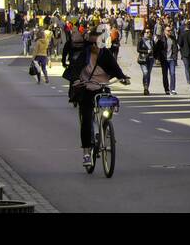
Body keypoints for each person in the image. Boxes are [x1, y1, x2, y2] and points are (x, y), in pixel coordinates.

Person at [66, 24, 130, 170]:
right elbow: (75, 68)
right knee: (86, 120)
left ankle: (106, 129)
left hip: (101, 88)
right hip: (86, 89)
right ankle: (87, 152)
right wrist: (76, 79)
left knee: (109, 107)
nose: (96, 46)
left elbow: (115, 68)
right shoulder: (85, 54)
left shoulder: (105, 54)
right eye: (94, 43)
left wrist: (123, 78)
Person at [136, 30, 155, 96]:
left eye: (149, 32)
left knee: (148, 74)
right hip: (143, 59)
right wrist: (147, 51)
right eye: (147, 32)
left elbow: (154, 49)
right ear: (144, 34)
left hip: (151, 59)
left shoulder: (152, 40)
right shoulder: (141, 40)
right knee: (145, 72)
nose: (148, 33)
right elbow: (138, 49)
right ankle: (145, 87)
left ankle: (147, 88)